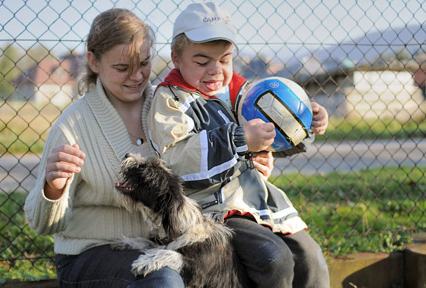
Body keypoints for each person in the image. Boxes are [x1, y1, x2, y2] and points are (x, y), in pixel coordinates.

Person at [147, 2, 330, 288]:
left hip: (257, 202)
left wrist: (305, 125)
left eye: (225, 59)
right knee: (274, 258)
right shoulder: (171, 100)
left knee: (311, 257)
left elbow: (275, 134)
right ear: (175, 58)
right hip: (212, 207)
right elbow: (176, 160)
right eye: (201, 61)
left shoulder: (245, 92)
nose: (215, 70)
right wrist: (240, 141)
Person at [24, 8, 186, 288]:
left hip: (161, 248)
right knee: (163, 281)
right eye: (122, 68)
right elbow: (42, 225)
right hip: (90, 253)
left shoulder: (170, 107)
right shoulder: (73, 125)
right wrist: (53, 188)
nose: (137, 76)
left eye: (144, 63)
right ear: (93, 61)